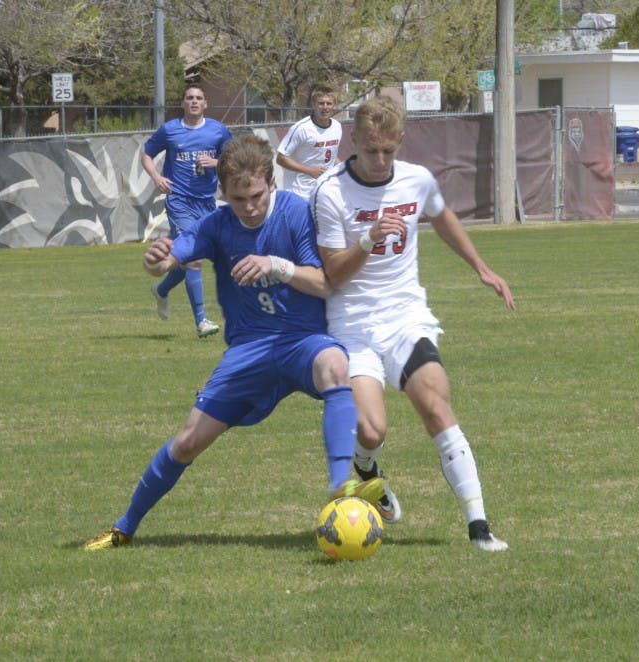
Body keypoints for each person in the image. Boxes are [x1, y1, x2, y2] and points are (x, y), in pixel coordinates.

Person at [85, 134, 384, 550]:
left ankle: (340, 488)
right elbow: (173, 256)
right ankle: (124, 527)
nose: (249, 206)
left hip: (302, 341)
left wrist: (276, 266)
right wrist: (157, 262)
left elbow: (324, 284)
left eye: (257, 196)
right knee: (187, 442)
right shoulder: (216, 224)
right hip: (249, 352)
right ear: (222, 192)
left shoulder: (296, 214)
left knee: (334, 364)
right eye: (238, 198)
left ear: (271, 185)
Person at [312, 96, 516, 552]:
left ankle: (479, 525)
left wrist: (480, 267)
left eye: (388, 150)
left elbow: (441, 216)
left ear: (400, 142)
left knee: (437, 407)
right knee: (371, 431)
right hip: (352, 326)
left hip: (406, 317)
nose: (380, 161)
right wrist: (368, 238)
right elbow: (332, 275)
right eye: (370, 151)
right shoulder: (329, 191)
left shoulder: (416, 180)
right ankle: (368, 468)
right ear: (354, 141)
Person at [142, 83, 232, 338]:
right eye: (189, 98)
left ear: (205, 104)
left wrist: (216, 162)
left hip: (206, 203)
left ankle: (161, 290)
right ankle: (201, 320)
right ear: (182, 103)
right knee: (194, 259)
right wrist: (156, 177)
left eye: (199, 98)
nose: (194, 101)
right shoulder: (170, 130)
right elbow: (147, 154)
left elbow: (233, 158)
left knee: (183, 257)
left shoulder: (218, 131)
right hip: (179, 201)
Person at [276, 85, 342, 200]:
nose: (325, 107)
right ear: (313, 105)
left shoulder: (337, 127)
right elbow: (281, 158)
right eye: (321, 103)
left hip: (324, 191)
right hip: (300, 193)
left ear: (334, 105)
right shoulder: (301, 128)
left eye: (329, 103)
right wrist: (309, 170)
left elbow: (331, 155)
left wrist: (344, 168)